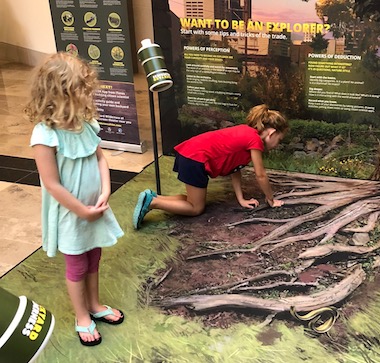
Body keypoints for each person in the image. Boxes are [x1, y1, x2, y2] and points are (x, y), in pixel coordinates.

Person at [27, 52, 125, 347]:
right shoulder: (45, 135)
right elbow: (52, 184)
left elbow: (100, 158)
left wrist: (106, 190)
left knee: (94, 256)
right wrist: (81, 210)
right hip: (72, 214)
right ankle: (82, 316)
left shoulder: (87, 124)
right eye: (82, 89)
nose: (88, 95)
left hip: (96, 208)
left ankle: (95, 305)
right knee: (77, 265)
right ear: (59, 92)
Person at [133, 104, 288, 229]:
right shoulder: (254, 140)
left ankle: (155, 197)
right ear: (271, 133)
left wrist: (241, 198)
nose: (277, 144)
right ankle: (152, 203)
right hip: (196, 159)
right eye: (279, 140)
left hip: (190, 154)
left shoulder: (246, 133)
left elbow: (235, 169)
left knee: (191, 200)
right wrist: (271, 199)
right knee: (196, 208)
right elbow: (260, 175)